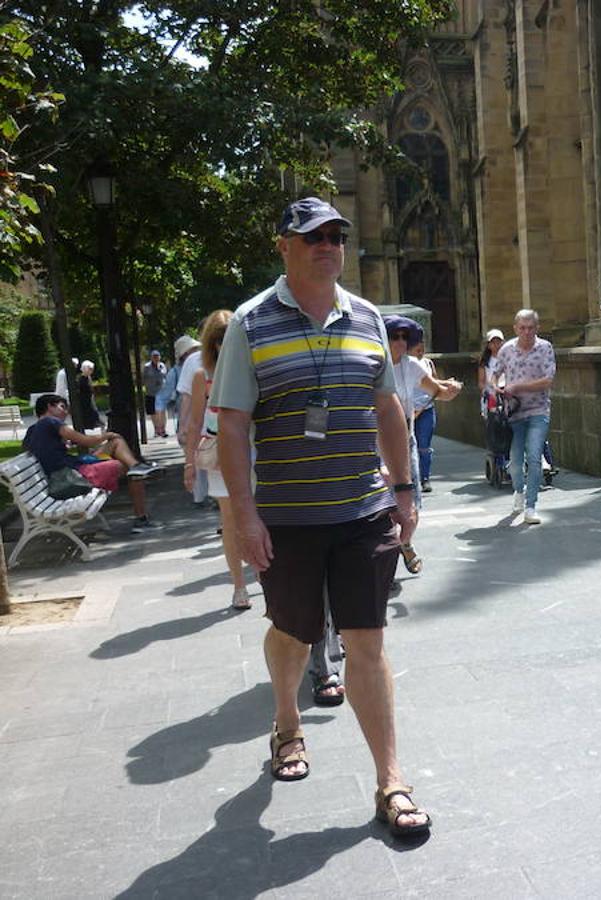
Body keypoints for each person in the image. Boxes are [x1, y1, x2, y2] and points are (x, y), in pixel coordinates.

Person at [210, 196, 429, 836]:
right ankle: (286, 719)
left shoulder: (365, 317)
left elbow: (388, 408)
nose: (328, 244)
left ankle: (391, 780)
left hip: (362, 509)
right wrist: (244, 517)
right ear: (285, 246)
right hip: (288, 516)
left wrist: (405, 489)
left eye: (337, 234)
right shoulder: (251, 324)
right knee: (295, 632)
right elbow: (232, 425)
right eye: (313, 236)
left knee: (366, 640)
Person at [183, 311, 251, 610]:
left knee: (262, 515)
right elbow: (194, 422)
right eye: (219, 339)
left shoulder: (251, 368)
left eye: (230, 337)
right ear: (212, 343)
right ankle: (239, 586)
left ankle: (262, 572)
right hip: (219, 455)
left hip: (254, 451)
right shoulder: (202, 376)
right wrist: (189, 465)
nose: (225, 344)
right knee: (230, 520)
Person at [384, 315, 462, 569]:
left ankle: (402, 543)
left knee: (412, 506)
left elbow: (437, 391)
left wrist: (450, 389)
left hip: (406, 440)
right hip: (376, 444)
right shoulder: (375, 366)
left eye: (404, 337)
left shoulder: (412, 366)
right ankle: (389, 559)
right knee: (382, 507)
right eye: (394, 336)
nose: (399, 341)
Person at [22, 393, 161, 532]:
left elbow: (40, 450)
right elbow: (86, 441)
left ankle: (137, 466)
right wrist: (107, 434)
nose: (66, 412)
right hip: (70, 477)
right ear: (49, 407)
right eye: (62, 407)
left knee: (116, 443)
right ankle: (141, 520)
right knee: (129, 469)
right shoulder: (50, 422)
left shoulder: (33, 430)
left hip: (67, 472)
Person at [492, 309, 556, 524]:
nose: (527, 332)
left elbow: (548, 380)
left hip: (539, 410)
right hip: (514, 413)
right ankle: (519, 491)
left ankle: (531, 506)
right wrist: (497, 389)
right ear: (515, 328)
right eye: (522, 328)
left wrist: (518, 386)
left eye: (531, 328)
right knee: (516, 461)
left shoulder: (545, 348)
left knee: (535, 457)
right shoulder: (507, 349)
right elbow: (495, 375)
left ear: (537, 328)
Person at [175, 335, 206, 504]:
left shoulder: (192, 362)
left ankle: (204, 497)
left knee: (203, 462)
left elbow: (186, 399)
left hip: (202, 423)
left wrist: (182, 427)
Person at [409, 340, 438, 493]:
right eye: (417, 349)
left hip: (426, 410)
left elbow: (436, 388)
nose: (420, 353)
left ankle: (425, 478)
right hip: (408, 411)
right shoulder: (405, 365)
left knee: (424, 446)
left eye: (422, 349)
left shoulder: (428, 364)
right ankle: (411, 478)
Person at [477, 327, 505, 417]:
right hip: (491, 395)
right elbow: (481, 382)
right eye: (493, 342)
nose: (496, 345)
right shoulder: (485, 362)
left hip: (507, 393)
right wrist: (487, 393)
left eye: (499, 342)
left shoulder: (508, 358)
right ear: (488, 345)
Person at [143, 350, 167, 439]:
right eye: (154, 356)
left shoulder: (162, 366)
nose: (156, 358)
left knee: (162, 411)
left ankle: (163, 429)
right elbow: (144, 379)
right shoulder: (147, 367)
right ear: (151, 357)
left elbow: (165, 376)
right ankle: (156, 430)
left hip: (161, 392)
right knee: (153, 412)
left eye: (157, 356)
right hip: (151, 392)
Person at [76, 360, 103, 431]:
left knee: (92, 410)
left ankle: (94, 423)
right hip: (84, 399)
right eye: (90, 369)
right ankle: (90, 424)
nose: (91, 371)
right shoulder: (80, 379)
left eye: (92, 369)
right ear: (84, 369)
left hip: (89, 398)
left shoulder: (88, 377)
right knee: (88, 411)